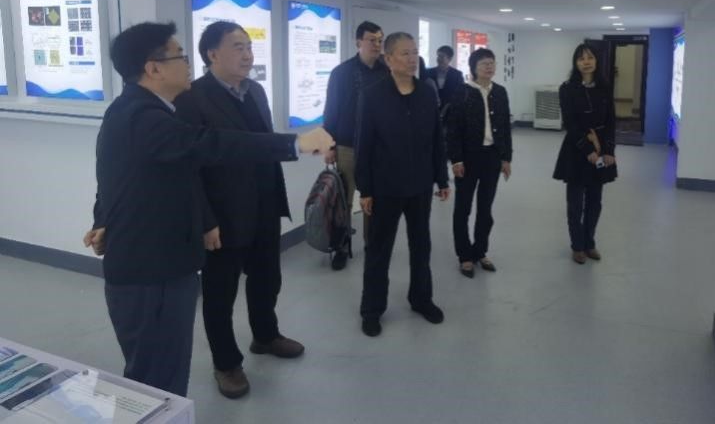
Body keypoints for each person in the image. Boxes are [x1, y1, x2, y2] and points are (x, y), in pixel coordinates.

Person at [84, 22, 333, 397]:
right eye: (180, 55)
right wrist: (295, 144)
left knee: (160, 376)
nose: (187, 63)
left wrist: (104, 220)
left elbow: (119, 176)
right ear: (154, 68)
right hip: (154, 270)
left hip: (166, 260)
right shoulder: (146, 116)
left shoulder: (140, 110)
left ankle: (263, 336)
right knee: (158, 382)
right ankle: (220, 368)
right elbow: (211, 145)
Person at [173, 22, 302, 399]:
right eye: (238, 47)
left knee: (267, 278)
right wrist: (205, 220)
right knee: (220, 293)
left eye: (249, 46)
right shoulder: (192, 98)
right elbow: (189, 168)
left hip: (264, 204)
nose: (248, 55)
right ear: (212, 54)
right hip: (224, 215)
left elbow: (263, 144)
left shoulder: (255, 91)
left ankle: (266, 335)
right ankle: (226, 363)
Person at [355, 32, 450, 337]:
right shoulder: (372, 95)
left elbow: (436, 139)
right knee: (378, 250)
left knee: (421, 246)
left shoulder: (426, 93)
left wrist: (442, 177)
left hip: (420, 184)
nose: (412, 59)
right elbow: (364, 145)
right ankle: (372, 309)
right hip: (385, 187)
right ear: (388, 59)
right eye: (404, 53)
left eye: (414, 52)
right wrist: (365, 189)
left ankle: (421, 299)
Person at [323, 21, 389, 269]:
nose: (377, 45)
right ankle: (341, 246)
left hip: (378, 148)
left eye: (380, 40)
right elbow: (331, 110)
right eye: (372, 40)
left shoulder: (386, 71)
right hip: (347, 145)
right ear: (358, 42)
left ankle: (372, 244)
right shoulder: (342, 73)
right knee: (344, 200)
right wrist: (330, 145)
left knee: (375, 199)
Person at [446, 48, 513, 277]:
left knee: (486, 209)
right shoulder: (462, 92)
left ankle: (480, 251)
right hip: (468, 158)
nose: (489, 67)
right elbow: (453, 129)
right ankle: (464, 255)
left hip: (492, 157)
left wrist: (506, 158)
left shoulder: (500, 92)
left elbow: (505, 128)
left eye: (492, 63)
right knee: (463, 209)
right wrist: (456, 159)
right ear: (474, 67)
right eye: (484, 63)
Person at [552, 44, 617, 264]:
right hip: (576, 150)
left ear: (596, 61)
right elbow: (570, 123)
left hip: (602, 150)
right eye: (581, 59)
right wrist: (587, 149)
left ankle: (590, 243)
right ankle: (577, 246)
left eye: (590, 58)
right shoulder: (567, 88)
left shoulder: (605, 87)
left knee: (595, 202)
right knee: (575, 204)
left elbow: (611, 121)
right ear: (575, 63)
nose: (586, 62)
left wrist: (608, 150)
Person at [425, 45, 464, 114]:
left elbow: (460, 94)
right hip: (431, 109)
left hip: (450, 110)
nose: (438, 59)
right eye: (438, 56)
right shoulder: (428, 72)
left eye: (442, 56)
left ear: (450, 59)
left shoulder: (457, 75)